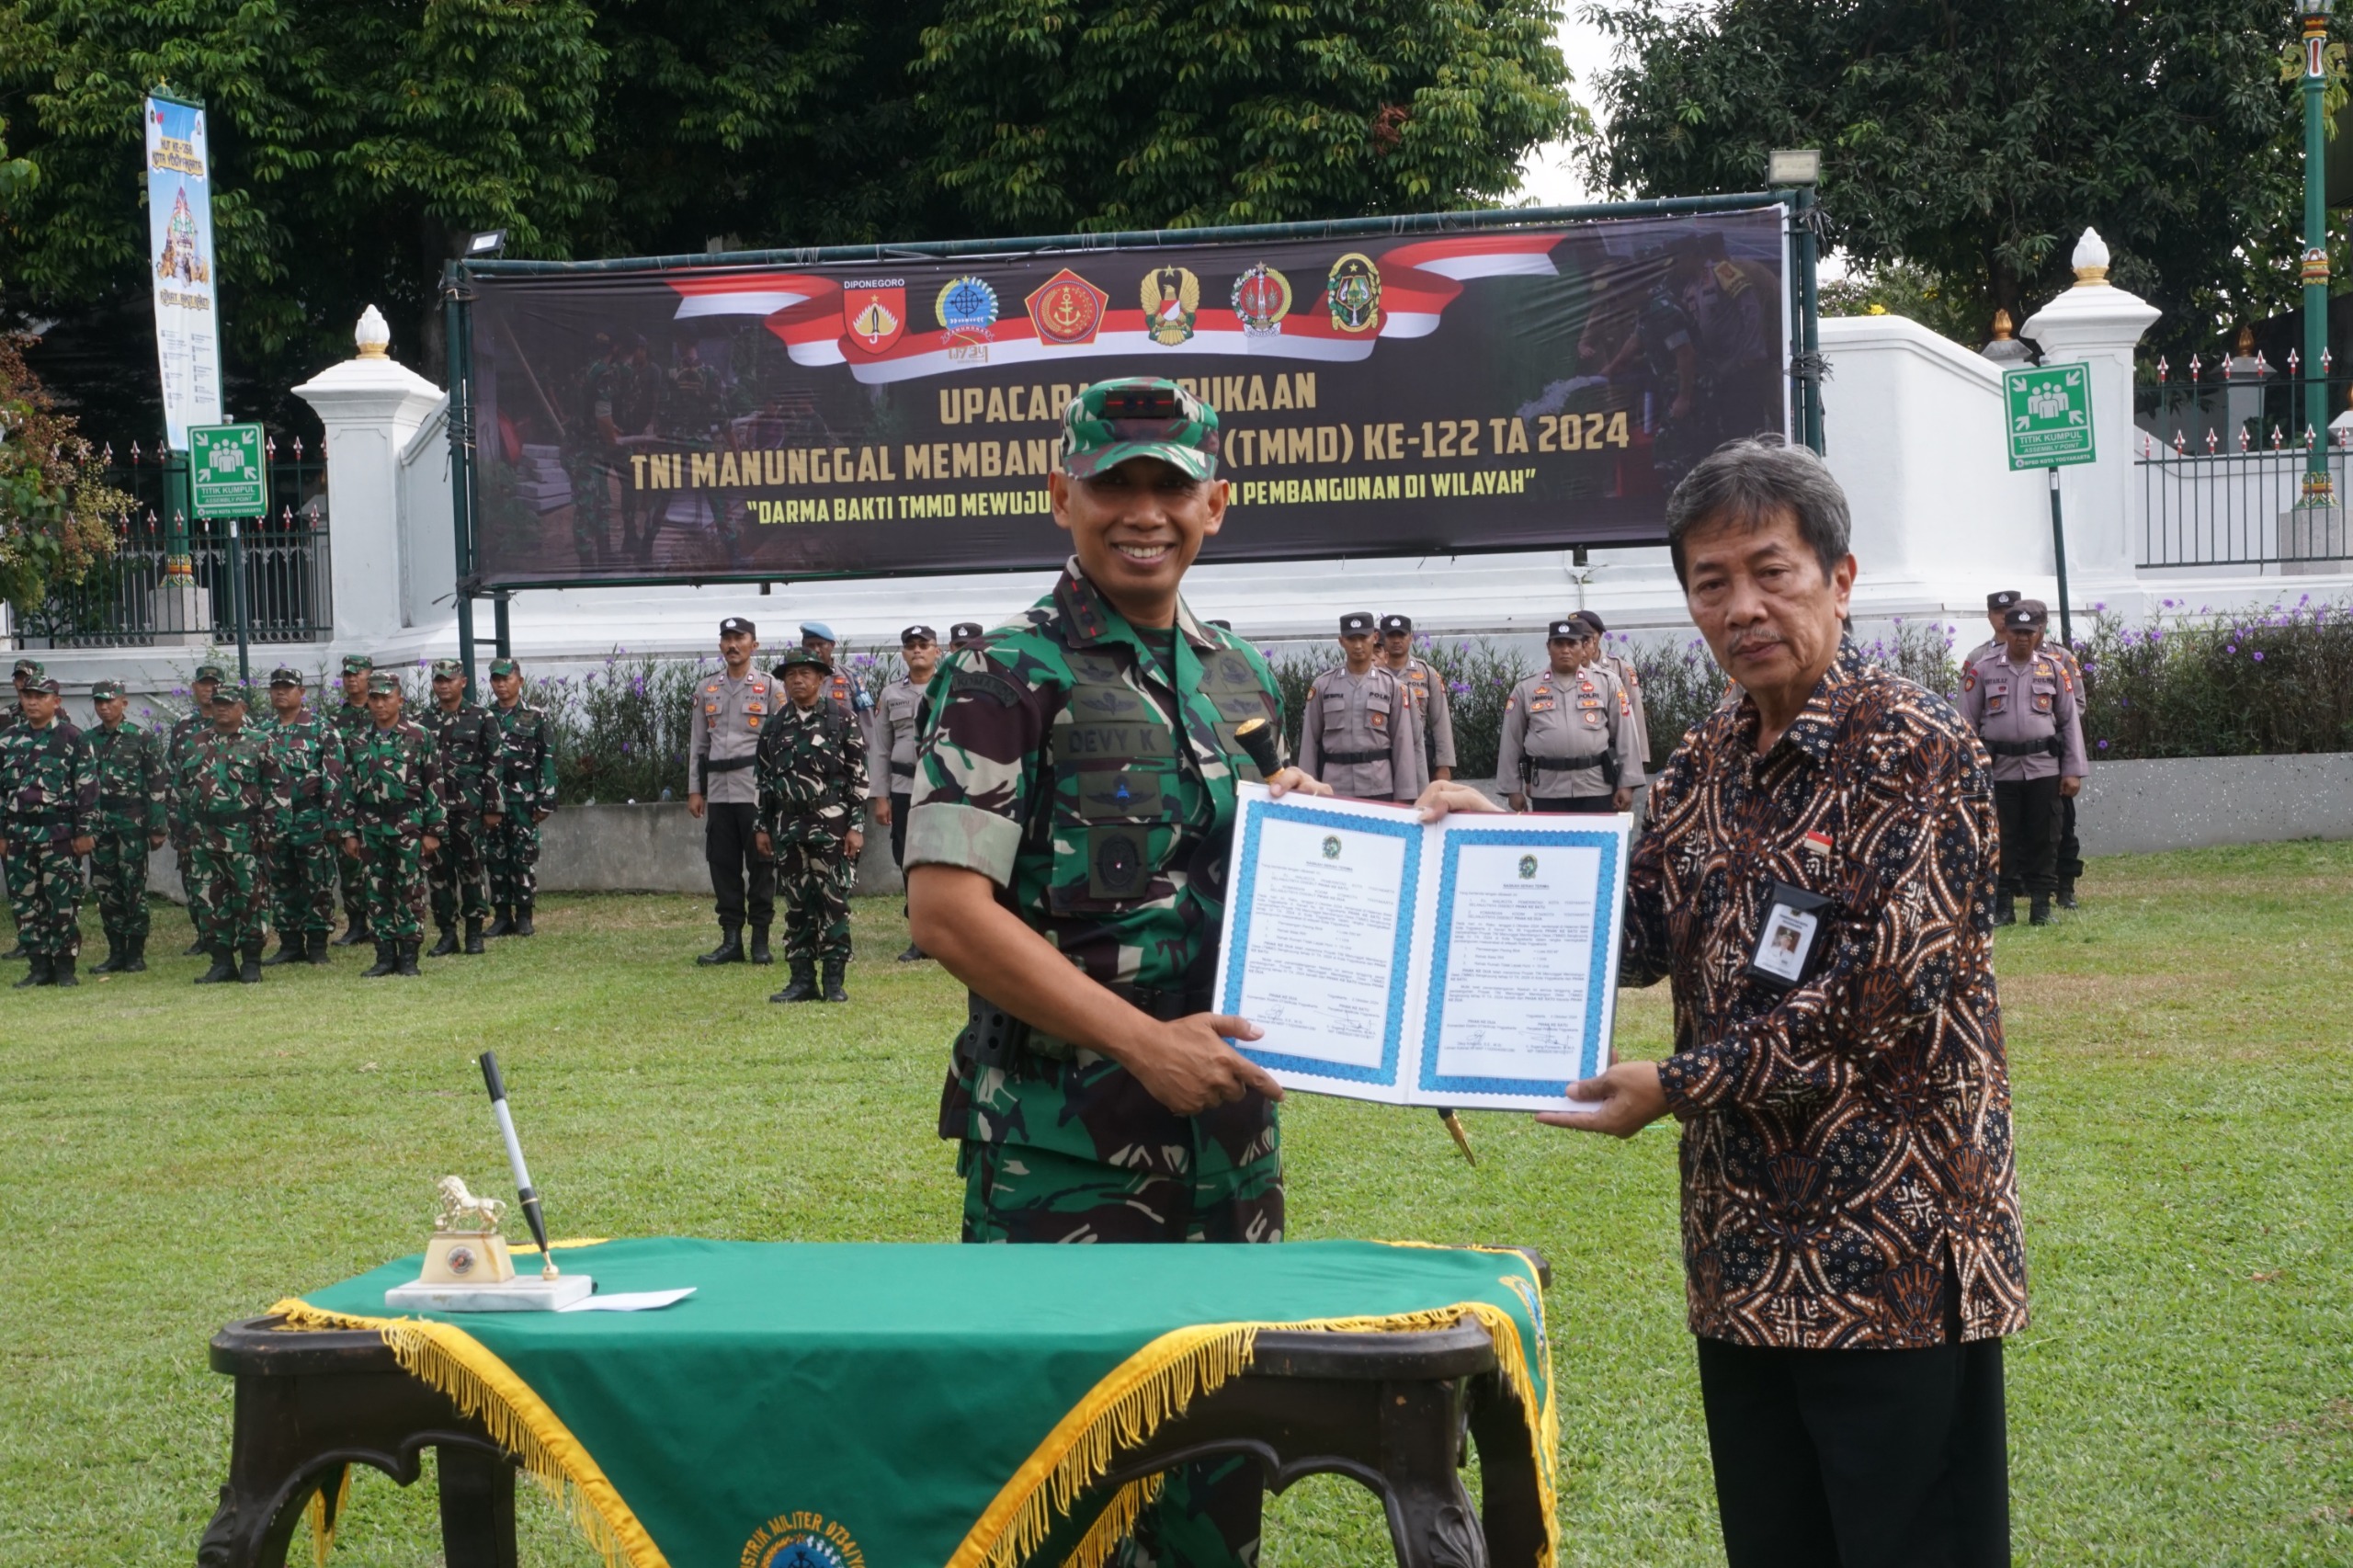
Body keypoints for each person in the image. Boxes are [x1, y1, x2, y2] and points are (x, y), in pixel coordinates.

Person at [1419, 437, 2026, 1568]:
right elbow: (1632, 934)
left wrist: (1673, 1085)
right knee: (1775, 1542)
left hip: (1894, 1254)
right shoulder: (1699, 763)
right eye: (1711, 581)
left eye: (1770, 570)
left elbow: (1885, 994)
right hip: (1741, 1252)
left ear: (1838, 580)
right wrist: (1476, 861)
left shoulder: (1918, 749)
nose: (1742, 605)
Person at [905, 377, 1322, 1568]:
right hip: (1064, 1168)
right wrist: (1144, 1042)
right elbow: (946, 910)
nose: (1145, 511)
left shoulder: (1240, 674)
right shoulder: (1004, 676)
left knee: (1215, 1510)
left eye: (1172, 486)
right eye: (1115, 485)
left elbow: (1266, 885)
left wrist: (1347, 841)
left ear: (1217, 505)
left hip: (1232, 1166)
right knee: (1056, 1508)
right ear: (1061, 497)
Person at [1958, 600, 2086, 926]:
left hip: (2044, 767)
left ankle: (2041, 907)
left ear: (2038, 632)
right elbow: (1966, 724)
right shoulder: (1982, 669)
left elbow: (2070, 722)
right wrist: (1968, 772)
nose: (2023, 639)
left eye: (2029, 632)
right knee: (2002, 838)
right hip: (1998, 770)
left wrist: (2072, 770)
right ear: (2006, 631)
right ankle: (2003, 907)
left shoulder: (2054, 668)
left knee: (2045, 837)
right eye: (2017, 632)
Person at [756, 646, 869, 1003]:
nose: (798, 679)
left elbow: (859, 779)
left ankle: (834, 981)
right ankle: (801, 979)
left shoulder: (842, 719)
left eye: (806, 673)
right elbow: (764, 781)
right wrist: (762, 826)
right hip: (788, 828)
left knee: (833, 902)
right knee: (797, 904)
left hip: (832, 827)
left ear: (821, 677)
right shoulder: (775, 725)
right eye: (791, 674)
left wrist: (856, 827)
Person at [175, 686, 286, 985]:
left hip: (244, 837)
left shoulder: (260, 743)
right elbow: (180, 792)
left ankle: (251, 962)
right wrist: (180, 834)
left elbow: (277, 792)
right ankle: (221, 962)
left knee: (251, 899)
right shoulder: (194, 743)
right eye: (217, 703)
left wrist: (271, 833)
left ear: (243, 708)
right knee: (209, 902)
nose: (221, 708)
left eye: (228, 704)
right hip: (203, 837)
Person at [688, 617, 779, 965]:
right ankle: (731, 939)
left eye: (739, 637)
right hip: (720, 793)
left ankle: (760, 939)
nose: (732, 644)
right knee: (722, 864)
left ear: (753, 645)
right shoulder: (706, 688)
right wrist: (696, 790)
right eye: (726, 638)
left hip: (755, 790)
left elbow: (779, 744)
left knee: (761, 864)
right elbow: (699, 743)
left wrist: (775, 794)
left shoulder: (770, 687)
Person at [343, 671, 445, 978]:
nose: (380, 703)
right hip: (370, 826)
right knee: (375, 892)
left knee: (409, 892)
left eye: (386, 697)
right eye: (374, 697)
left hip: (408, 825)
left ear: (400, 699)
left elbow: (434, 785)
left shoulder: (419, 736)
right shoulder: (358, 739)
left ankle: (409, 956)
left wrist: (433, 831)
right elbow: (347, 787)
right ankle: (385, 955)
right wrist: (348, 832)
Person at [0, 675, 96, 986]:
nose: (31, 702)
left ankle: (65, 968)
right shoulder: (8, 739)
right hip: (19, 835)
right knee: (25, 903)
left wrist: (84, 831)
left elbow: (87, 789)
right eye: (27, 696)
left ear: (56, 701)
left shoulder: (73, 738)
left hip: (59, 834)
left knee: (63, 900)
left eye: (39, 696)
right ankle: (39, 967)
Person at [1495, 618, 1641, 812]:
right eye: (1559, 644)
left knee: (1595, 842)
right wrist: (1513, 789)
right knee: (1552, 843)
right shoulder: (1526, 689)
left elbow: (1626, 735)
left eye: (1572, 644)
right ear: (1548, 647)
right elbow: (1510, 742)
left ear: (1583, 646)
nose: (1566, 650)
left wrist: (1626, 784)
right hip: (1547, 789)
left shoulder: (1607, 683)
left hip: (1595, 786)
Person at [257, 666, 347, 966]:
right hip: (275, 823)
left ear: (302, 692)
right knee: (282, 886)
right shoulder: (261, 733)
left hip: (311, 819)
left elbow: (333, 777)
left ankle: (318, 945)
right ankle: (290, 944)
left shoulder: (322, 729)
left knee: (317, 884)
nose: (281, 692)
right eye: (276, 687)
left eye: (288, 687)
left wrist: (333, 822)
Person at [85, 678, 169, 975]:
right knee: (105, 887)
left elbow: (157, 783)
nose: (104, 707)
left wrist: (158, 826)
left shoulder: (142, 738)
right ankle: (115, 951)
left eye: (110, 701)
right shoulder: (87, 740)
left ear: (124, 703)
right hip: (99, 824)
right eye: (99, 702)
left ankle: (135, 952)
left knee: (133, 885)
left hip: (132, 822)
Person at [425, 658, 506, 957]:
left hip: (469, 809)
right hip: (435, 811)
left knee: (472, 870)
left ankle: (474, 933)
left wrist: (493, 806)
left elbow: (494, 763)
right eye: (438, 679)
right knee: (438, 873)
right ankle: (448, 934)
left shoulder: (482, 717)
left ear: (463, 681)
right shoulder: (423, 721)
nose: (443, 684)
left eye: (449, 678)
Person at [1295, 611, 1422, 801]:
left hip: (1379, 786)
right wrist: (1306, 790)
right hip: (1335, 787)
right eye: (1351, 639)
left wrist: (1405, 797)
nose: (1358, 645)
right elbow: (1309, 742)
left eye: (1363, 638)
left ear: (1375, 638)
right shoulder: (1323, 686)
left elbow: (1403, 744)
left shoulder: (1393, 688)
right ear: (1341, 641)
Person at [872, 624, 939, 961]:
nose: (917, 650)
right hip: (902, 788)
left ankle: (946, 934)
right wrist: (880, 796)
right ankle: (919, 936)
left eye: (924, 645)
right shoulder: (890, 694)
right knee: (907, 860)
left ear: (937, 651)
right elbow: (880, 748)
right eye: (911, 646)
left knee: (942, 859)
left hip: (942, 789)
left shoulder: (951, 688)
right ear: (903, 654)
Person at [485, 657, 558, 936]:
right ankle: (502, 915)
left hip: (524, 801)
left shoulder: (536, 716)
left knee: (523, 857)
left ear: (520, 681)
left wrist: (546, 800)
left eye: (507, 678)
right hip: (494, 800)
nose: (501, 684)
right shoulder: (485, 716)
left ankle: (524, 914)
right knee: (496, 858)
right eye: (496, 679)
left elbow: (547, 760)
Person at [166, 661, 226, 955]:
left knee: (231, 879)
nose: (210, 689)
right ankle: (204, 934)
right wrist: (176, 824)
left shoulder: (238, 724)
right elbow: (174, 773)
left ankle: (230, 933)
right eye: (204, 683)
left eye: (216, 684)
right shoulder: (183, 726)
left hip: (228, 819)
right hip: (191, 818)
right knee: (194, 878)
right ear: (194, 688)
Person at [326, 653, 377, 946]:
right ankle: (357, 924)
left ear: (370, 675)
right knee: (349, 864)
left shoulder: (384, 710)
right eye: (347, 674)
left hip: (379, 800)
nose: (351, 678)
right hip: (347, 801)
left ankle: (387, 920)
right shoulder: (335, 720)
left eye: (358, 673)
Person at [1575, 609, 1653, 789]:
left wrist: (1638, 762)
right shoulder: (1564, 670)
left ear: (1598, 637)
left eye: (1588, 635)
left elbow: (1635, 715)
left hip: (1611, 758)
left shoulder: (1619, 669)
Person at [1377, 612, 1456, 782]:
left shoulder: (1427, 674)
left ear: (1411, 638)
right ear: (1381, 639)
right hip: (1381, 756)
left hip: (1418, 755)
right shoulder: (1373, 674)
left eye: (1402, 635)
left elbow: (1440, 722)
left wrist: (1444, 766)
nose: (1397, 640)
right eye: (1391, 636)